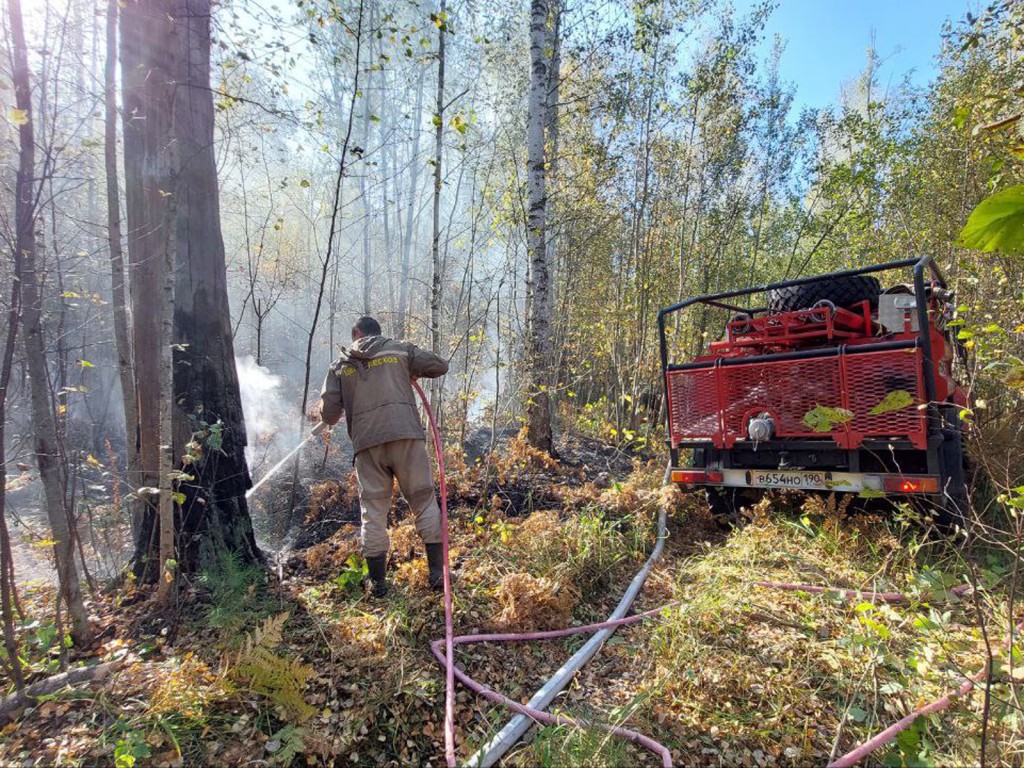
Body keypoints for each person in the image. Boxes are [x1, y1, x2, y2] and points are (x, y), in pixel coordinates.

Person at [318, 316, 449, 597]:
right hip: (406, 437)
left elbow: (329, 414)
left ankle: (377, 584)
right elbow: (439, 365)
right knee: (424, 500)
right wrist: (410, 369)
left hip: (368, 446)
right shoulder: (399, 350)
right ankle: (437, 574)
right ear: (378, 333)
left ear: (356, 333)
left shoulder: (340, 365)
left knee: (374, 511)